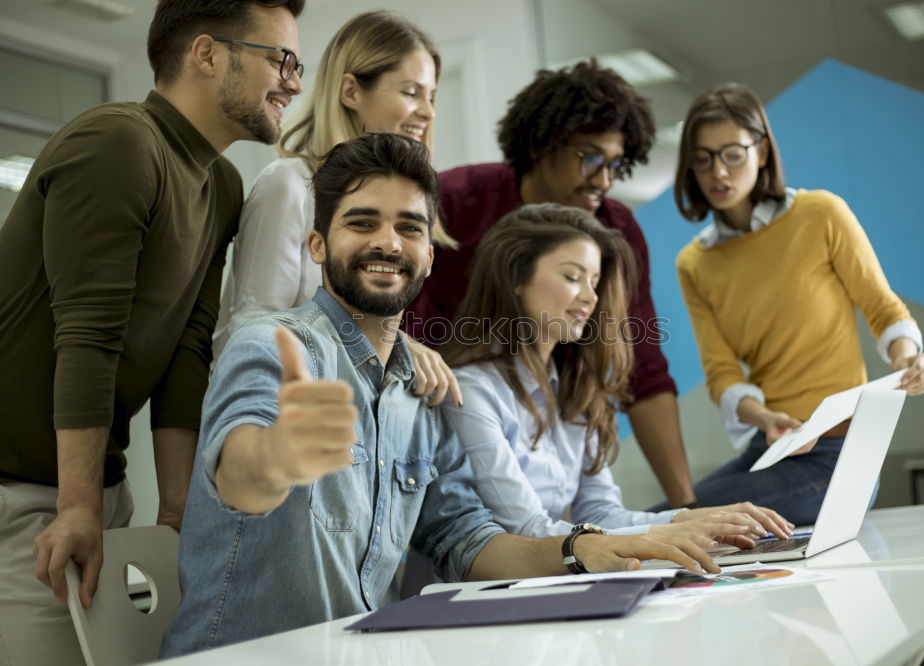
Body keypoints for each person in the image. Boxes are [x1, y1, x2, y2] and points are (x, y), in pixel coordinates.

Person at [160, 134, 733, 657]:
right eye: (362, 223)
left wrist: (580, 548)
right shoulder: (271, 346)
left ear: (430, 255)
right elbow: (238, 476)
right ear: (316, 244)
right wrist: (276, 459)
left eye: (409, 227)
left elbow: (465, 537)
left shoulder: (423, 389)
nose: (388, 242)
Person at [0, 1, 305, 663]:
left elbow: (184, 355)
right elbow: (85, 334)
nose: (294, 82)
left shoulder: (222, 184)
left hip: (94, 491)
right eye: (280, 59)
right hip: (19, 496)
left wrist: (175, 513)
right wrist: (77, 507)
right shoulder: (118, 140)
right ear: (207, 54)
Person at [405, 60, 697, 508]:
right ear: (542, 144)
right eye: (590, 158)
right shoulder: (454, 202)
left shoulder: (616, 229)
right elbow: (388, 324)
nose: (603, 180)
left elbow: (646, 370)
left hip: (550, 410)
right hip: (443, 415)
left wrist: (685, 508)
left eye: (615, 165)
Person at [439, 203, 792, 544]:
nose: (590, 298)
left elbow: (602, 514)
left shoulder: (573, 391)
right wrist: (673, 531)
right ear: (516, 276)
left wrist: (693, 519)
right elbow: (527, 531)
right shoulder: (471, 391)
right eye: (572, 276)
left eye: (594, 281)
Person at [669, 83, 924, 524]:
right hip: (773, 445)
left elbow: (883, 310)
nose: (719, 171)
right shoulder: (694, 263)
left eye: (733, 154)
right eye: (703, 158)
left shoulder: (821, 214)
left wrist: (909, 361)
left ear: (762, 151)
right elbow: (722, 374)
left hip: (840, 458)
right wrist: (766, 418)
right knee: (660, 520)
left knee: (674, 523)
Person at [214, 10, 460, 406]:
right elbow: (252, 328)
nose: (429, 112)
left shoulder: (413, 210)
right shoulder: (288, 184)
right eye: (411, 92)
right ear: (350, 91)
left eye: (431, 97)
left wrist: (399, 345)